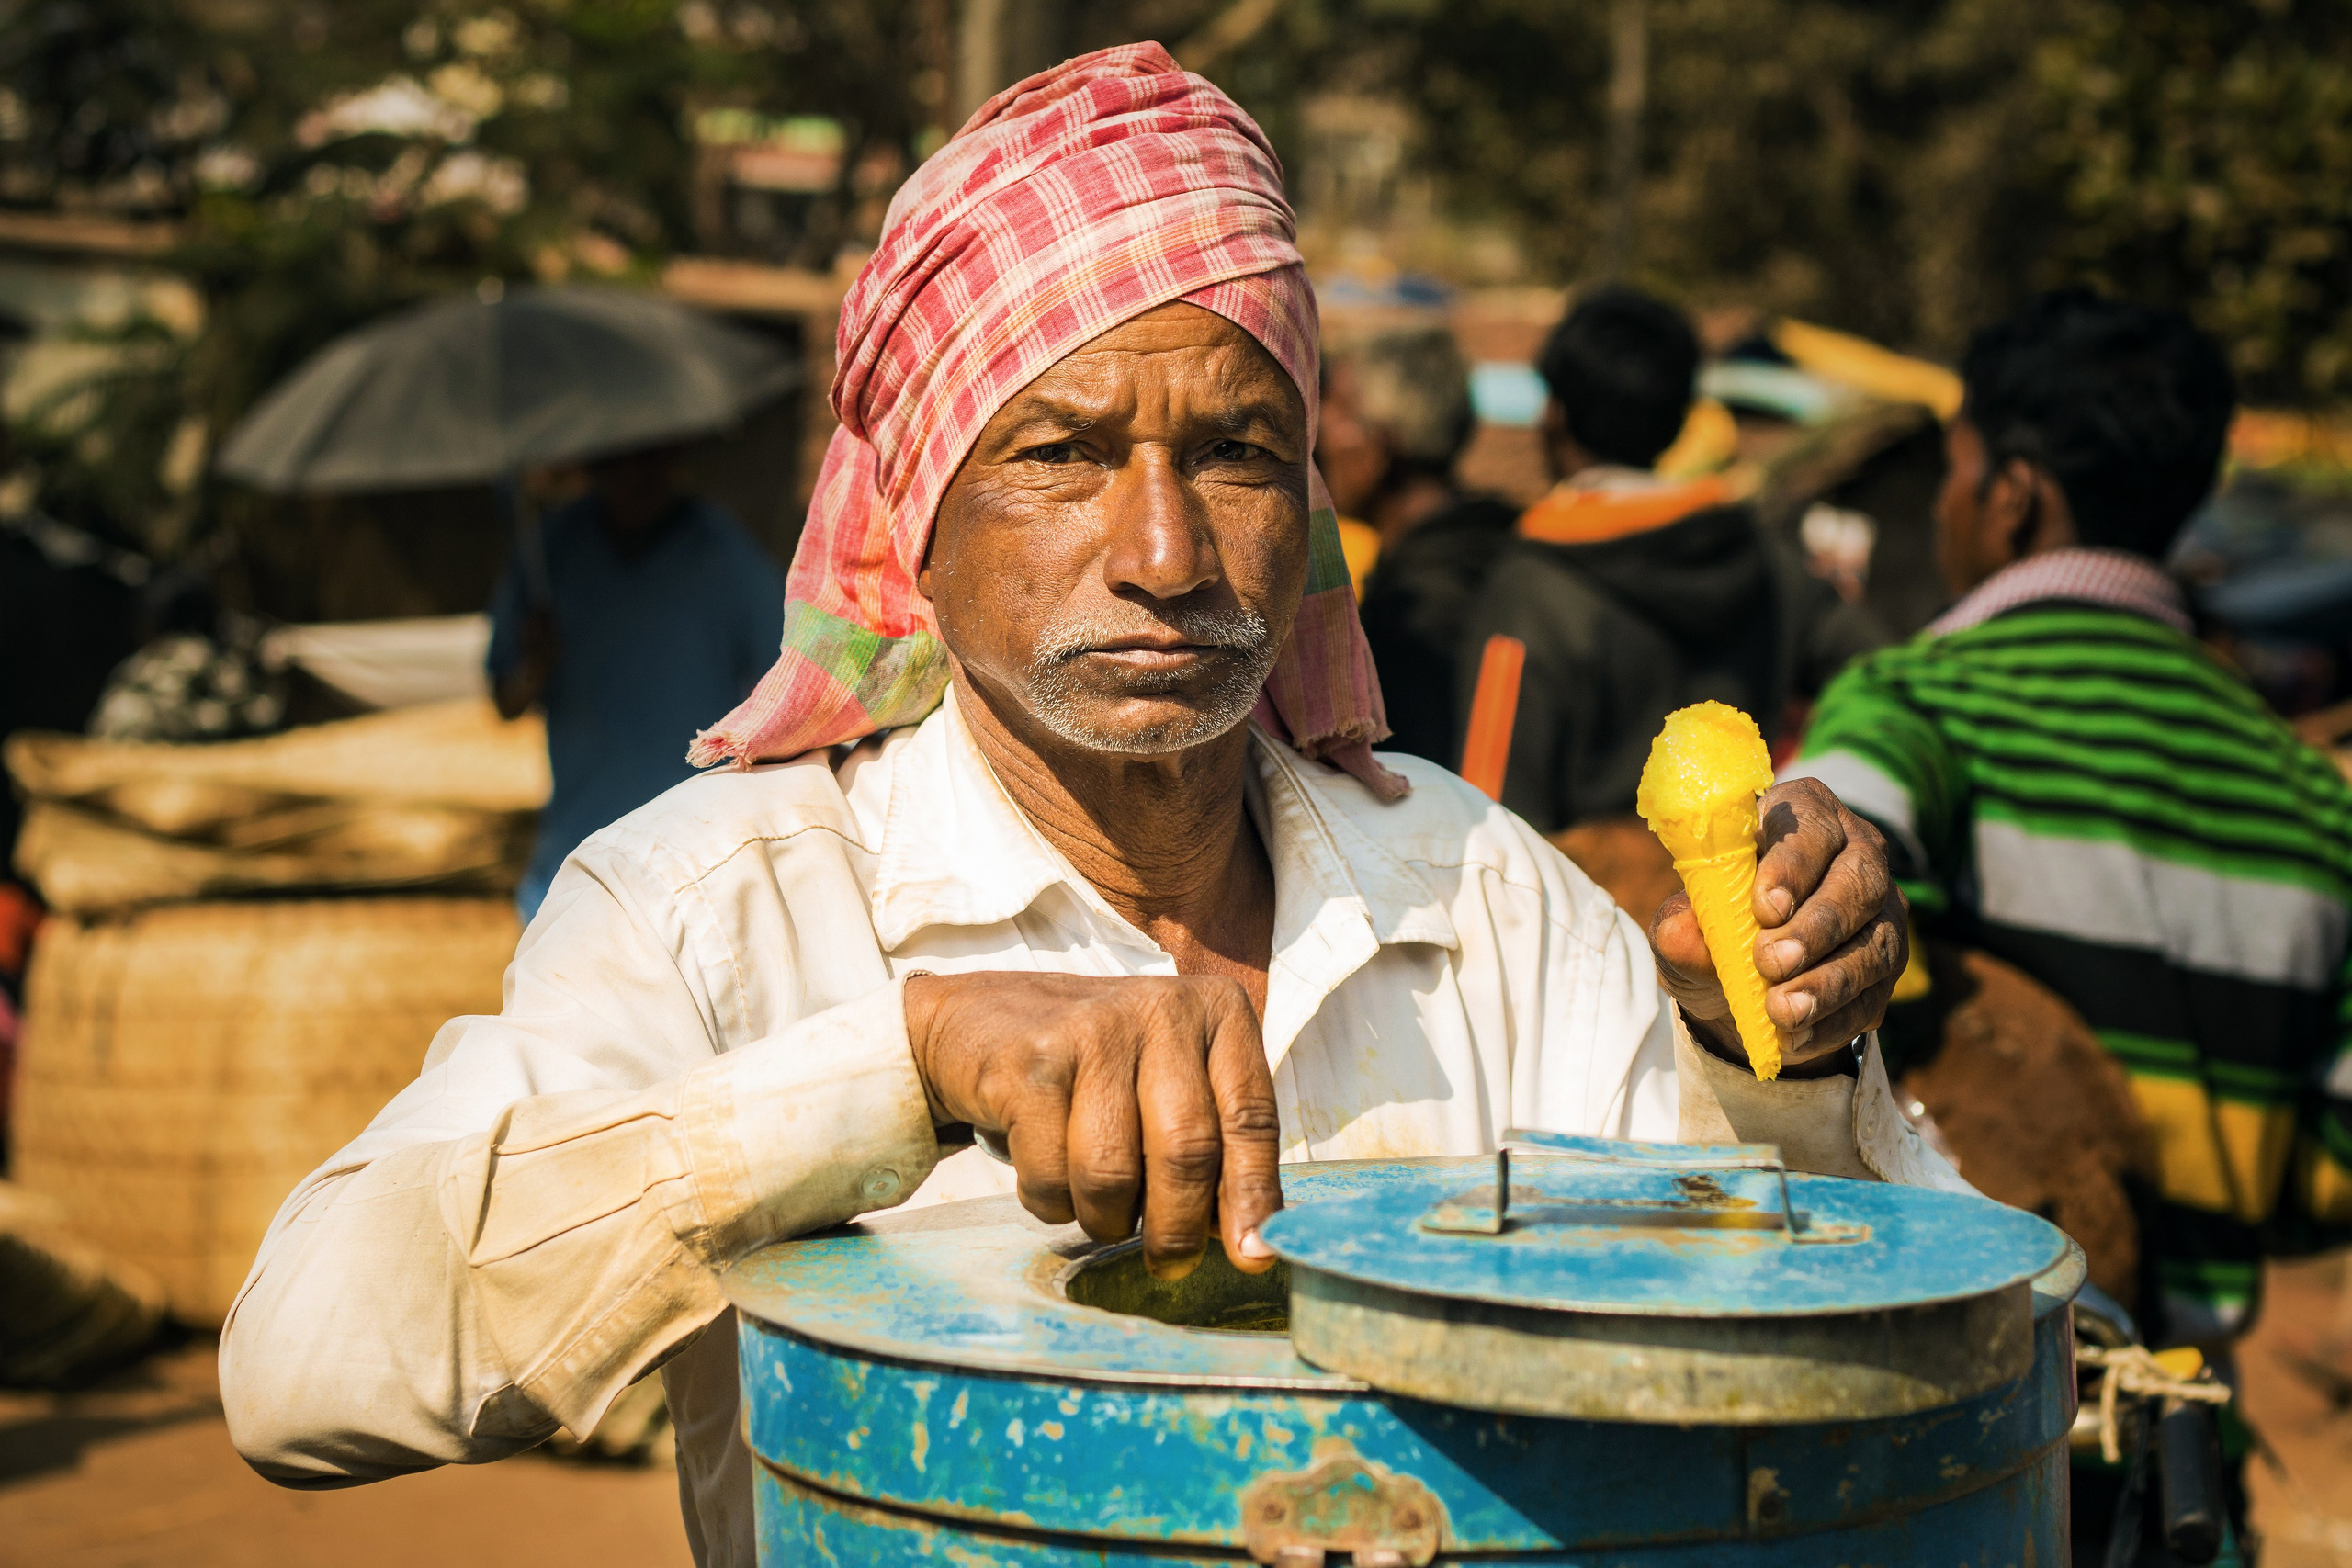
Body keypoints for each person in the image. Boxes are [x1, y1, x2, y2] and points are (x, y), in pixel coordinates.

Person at [221, 48, 1939, 1566]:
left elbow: (1780, 1325)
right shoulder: (721, 910)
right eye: (1061, 453)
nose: (1167, 554)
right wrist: (896, 1068)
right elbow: (298, 1368)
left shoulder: (1481, 888)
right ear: (913, 515)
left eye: (1239, 451)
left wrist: (1765, 1051)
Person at [1785, 288, 2352, 1556]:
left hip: (1952, 1463)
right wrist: (2210, 1158)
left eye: (1955, 471)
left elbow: (1808, 876)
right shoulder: (2311, 798)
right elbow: (2334, 1156)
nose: (1943, 507)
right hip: (2183, 1482)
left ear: (2012, 495)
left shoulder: (1921, 707)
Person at [1456, 288, 1883, 835]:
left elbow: (1489, 819)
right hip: (1747, 883)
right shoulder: (1766, 558)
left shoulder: (1529, 591)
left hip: (1580, 889)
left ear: (1553, 415)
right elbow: (1884, 678)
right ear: (1683, 420)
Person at [487, 443, 785, 919]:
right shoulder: (551, 552)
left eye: (646, 457)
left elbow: (784, 676)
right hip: (577, 860)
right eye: (614, 460)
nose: (632, 476)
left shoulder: (720, 551)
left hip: (695, 860)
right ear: (591, 464)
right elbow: (506, 697)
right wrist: (533, 666)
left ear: (672, 456)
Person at [1324, 327, 1521, 765]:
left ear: (1382, 442)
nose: (1318, 434)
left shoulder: (1423, 611)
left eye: (1338, 409)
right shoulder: (1492, 548)